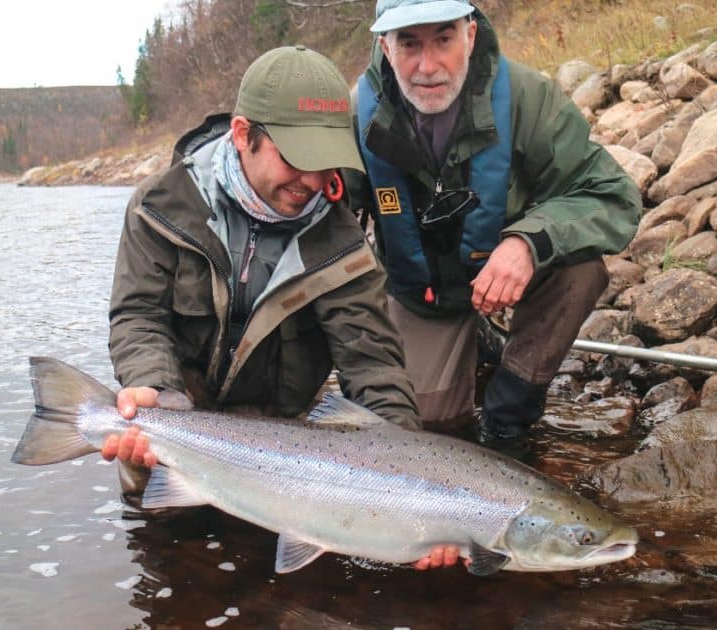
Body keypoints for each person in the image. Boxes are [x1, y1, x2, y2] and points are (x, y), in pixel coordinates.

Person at [103, 45, 459, 571]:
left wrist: (413, 496)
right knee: (165, 552)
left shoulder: (343, 247)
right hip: (174, 418)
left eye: (326, 162)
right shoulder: (160, 207)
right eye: (297, 159)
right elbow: (138, 316)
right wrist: (152, 387)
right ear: (244, 135)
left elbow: (373, 368)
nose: (314, 182)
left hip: (287, 457)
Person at [347, 0, 642, 451]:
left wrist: (527, 243)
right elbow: (323, 222)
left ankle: (510, 413)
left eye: (443, 40)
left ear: (468, 34)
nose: (427, 67)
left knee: (580, 268)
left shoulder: (527, 98)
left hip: (504, 270)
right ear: (386, 49)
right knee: (423, 434)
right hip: (421, 294)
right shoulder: (357, 114)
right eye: (409, 44)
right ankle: (479, 340)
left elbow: (611, 195)